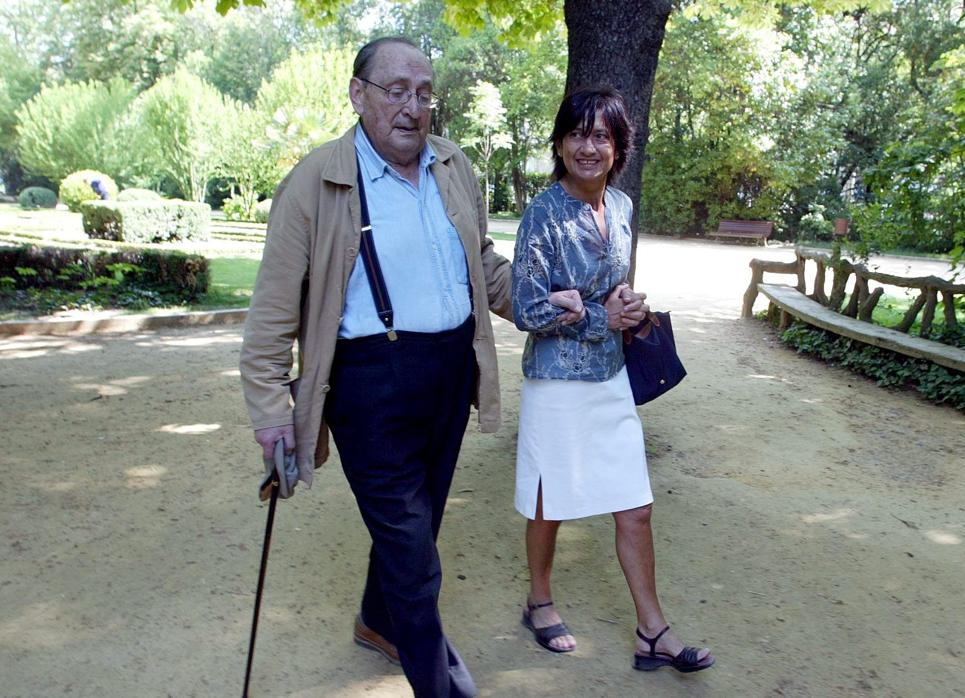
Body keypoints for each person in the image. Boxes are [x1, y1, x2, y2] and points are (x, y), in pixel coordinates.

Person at [238, 36, 512, 698]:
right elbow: (272, 314)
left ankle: (377, 620)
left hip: (450, 371)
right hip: (366, 383)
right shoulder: (316, 180)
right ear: (358, 94)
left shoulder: (453, 165)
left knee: (417, 523)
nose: (412, 107)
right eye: (396, 90)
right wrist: (273, 414)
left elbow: (481, 264)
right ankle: (437, 682)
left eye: (423, 93)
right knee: (414, 554)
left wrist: (537, 298)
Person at [510, 86, 715, 673]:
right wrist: (598, 315)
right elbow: (527, 307)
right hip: (556, 382)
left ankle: (653, 631)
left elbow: (606, 286)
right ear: (560, 142)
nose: (588, 146)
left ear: (618, 145)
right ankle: (539, 600)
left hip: (610, 377)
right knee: (549, 502)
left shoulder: (621, 208)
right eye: (577, 133)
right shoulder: (542, 214)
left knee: (636, 506)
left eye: (601, 135)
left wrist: (621, 304)